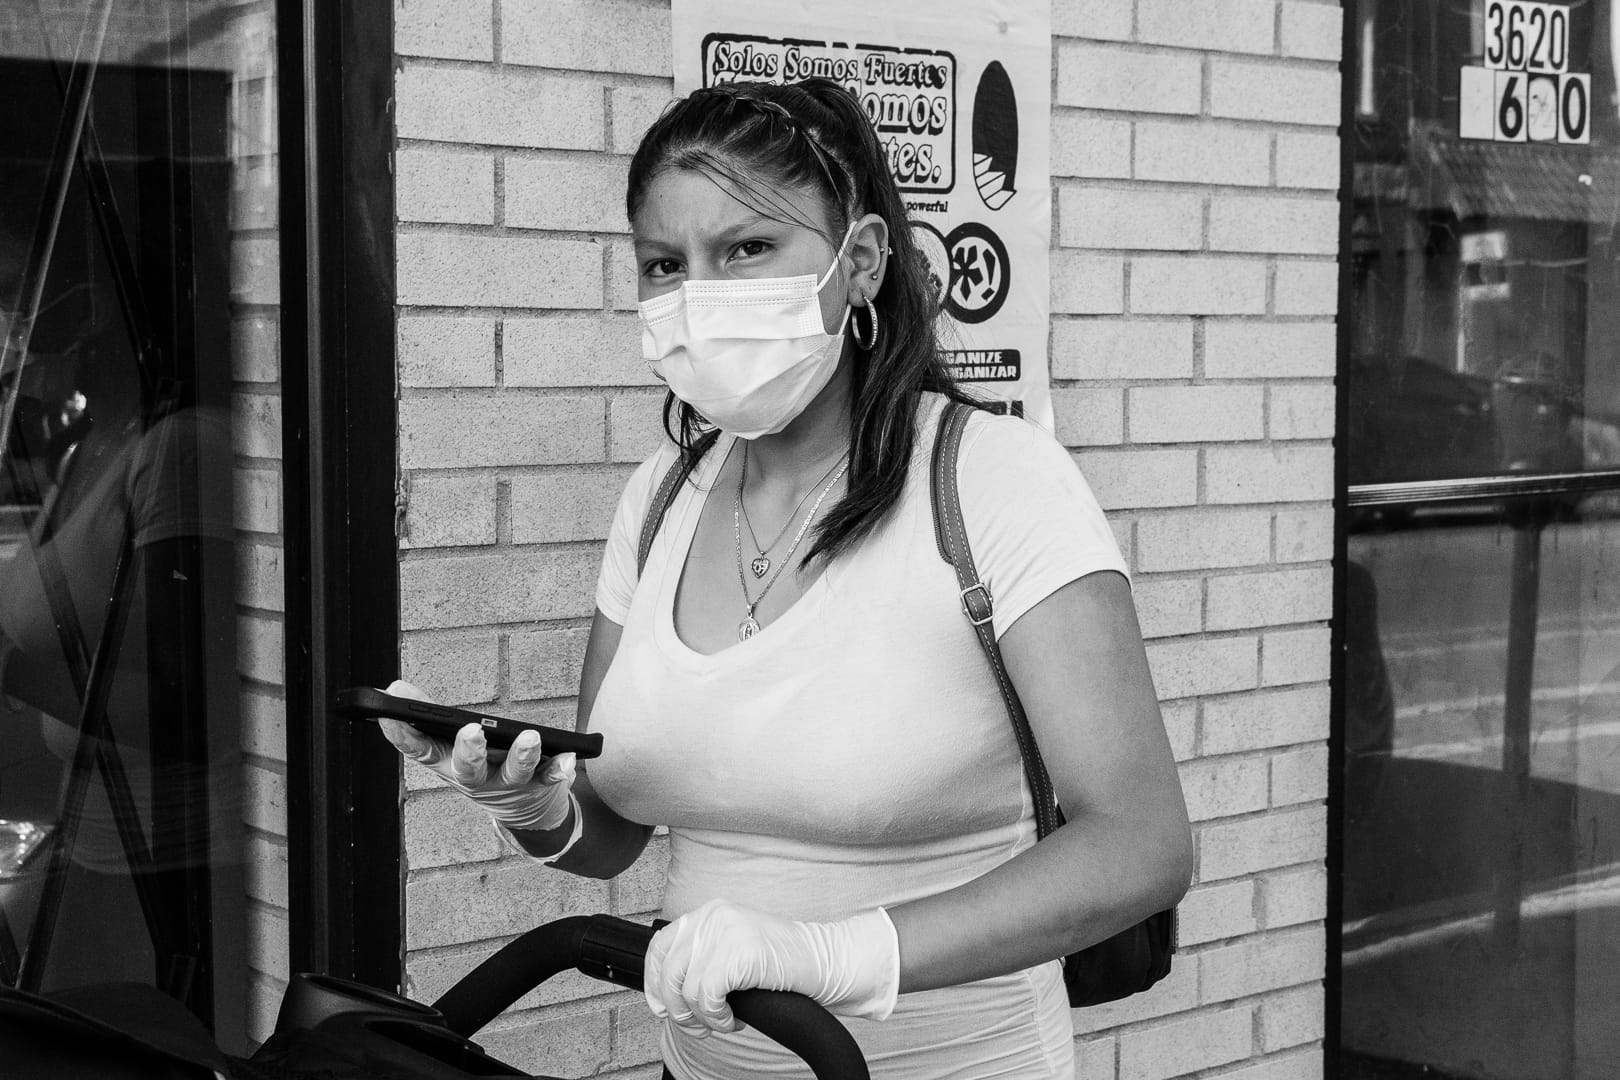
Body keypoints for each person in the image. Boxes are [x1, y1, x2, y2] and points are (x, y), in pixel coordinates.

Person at [379, 77, 1192, 1079]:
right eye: (665, 264)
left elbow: (1141, 844)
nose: (698, 296)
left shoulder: (995, 481)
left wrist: (831, 957)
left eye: (747, 249)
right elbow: (614, 827)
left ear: (861, 262)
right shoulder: (661, 499)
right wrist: (536, 809)